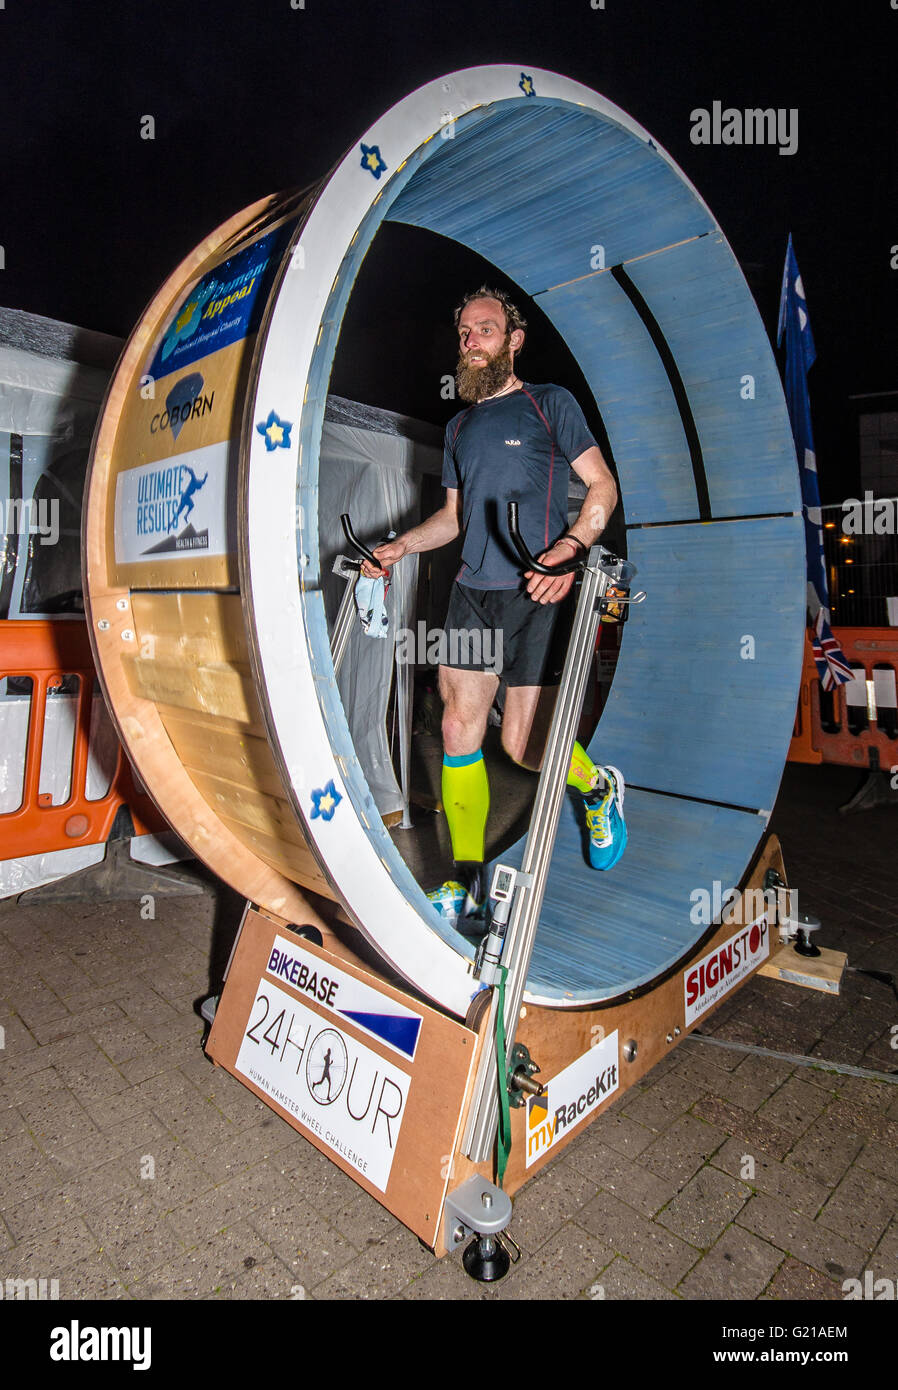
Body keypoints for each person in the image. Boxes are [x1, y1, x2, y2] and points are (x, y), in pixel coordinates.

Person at [361, 286, 626, 933]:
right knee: (458, 729)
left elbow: (602, 487)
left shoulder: (550, 403)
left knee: (528, 745)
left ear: (514, 340)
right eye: (464, 333)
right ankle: (471, 884)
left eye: (485, 329)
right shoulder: (457, 426)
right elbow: (451, 519)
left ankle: (595, 788)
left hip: (536, 589)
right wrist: (398, 545)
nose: (471, 341)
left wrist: (567, 551)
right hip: (472, 594)